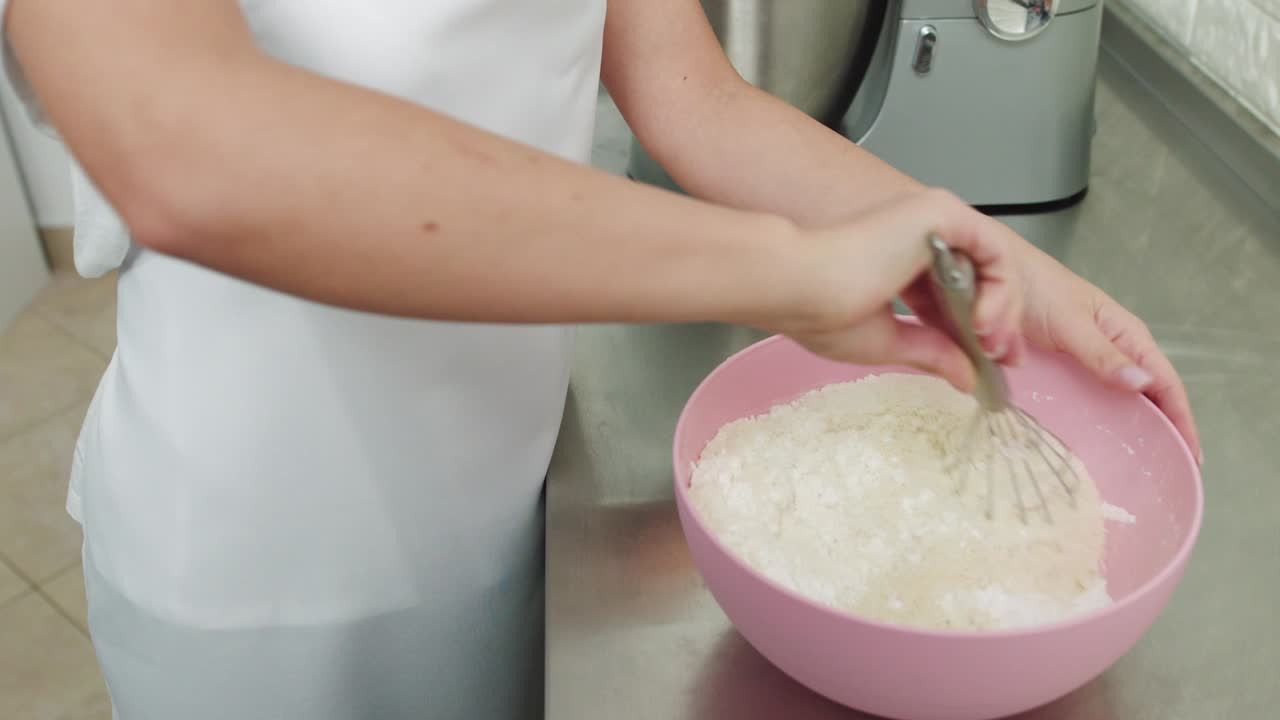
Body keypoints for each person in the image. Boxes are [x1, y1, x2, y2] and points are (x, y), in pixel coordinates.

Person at [2, 1, 1200, 718]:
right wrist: (783, 270)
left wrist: (979, 253)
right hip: (265, 565)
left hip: (503, 518)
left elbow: (691, 100)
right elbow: (186, 150)